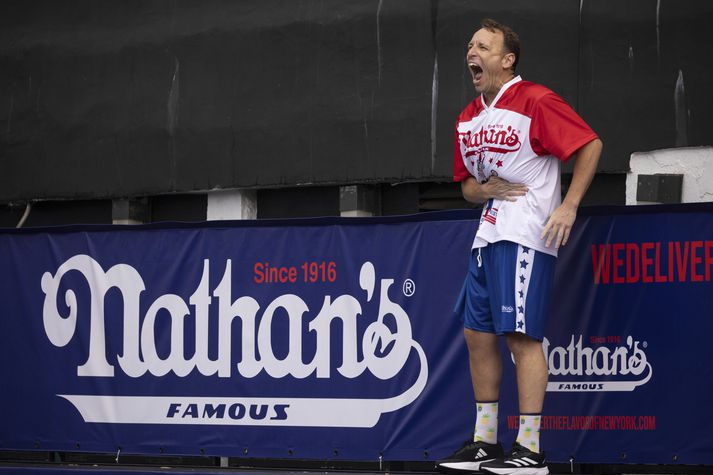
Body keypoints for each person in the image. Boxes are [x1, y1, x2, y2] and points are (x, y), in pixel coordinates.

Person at [436, 18, 602, 475]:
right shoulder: (468, 117)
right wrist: (483, 191)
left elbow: (590, 144)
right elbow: (466, 186)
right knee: (477, 335)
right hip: (487, 233)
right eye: (470, 45)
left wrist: (568, 206)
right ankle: (485, 441)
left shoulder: (535, 99)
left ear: (507, 60)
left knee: (520, 337)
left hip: (526, 232)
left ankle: (529, 450)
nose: (473, 53)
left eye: (484, 47)